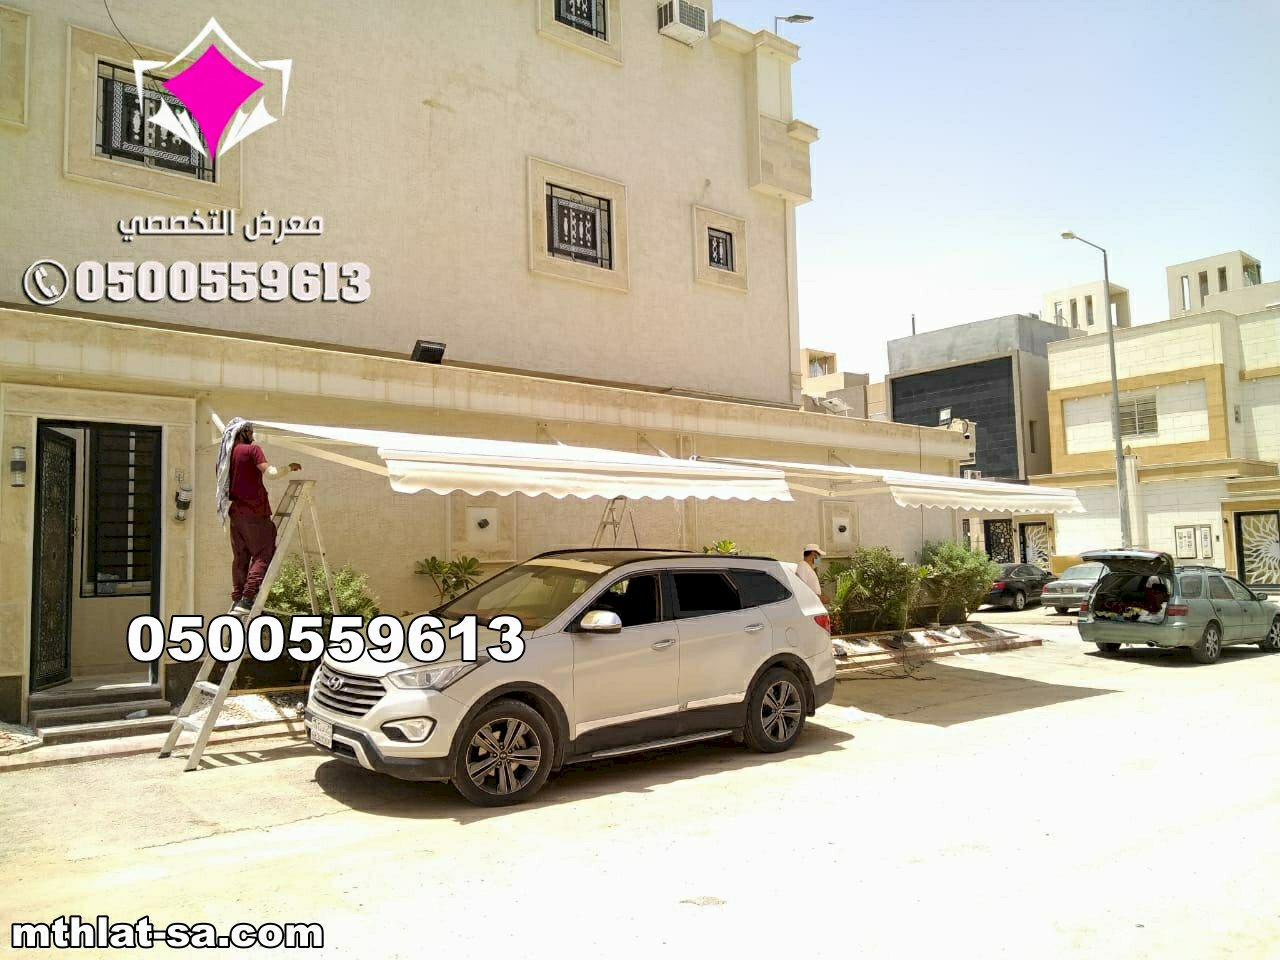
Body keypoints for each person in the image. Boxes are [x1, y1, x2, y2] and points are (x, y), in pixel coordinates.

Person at [215, 420, 301, 616]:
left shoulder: (225, 456)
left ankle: (237, 599)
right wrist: (289, 467)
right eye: (251, 431)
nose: (253, 435)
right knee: (264, 553)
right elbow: (271, 473)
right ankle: (247, 599)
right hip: (254, 510)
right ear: (243, 432)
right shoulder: (251, 450)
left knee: (241, 557)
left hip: (236, 513)